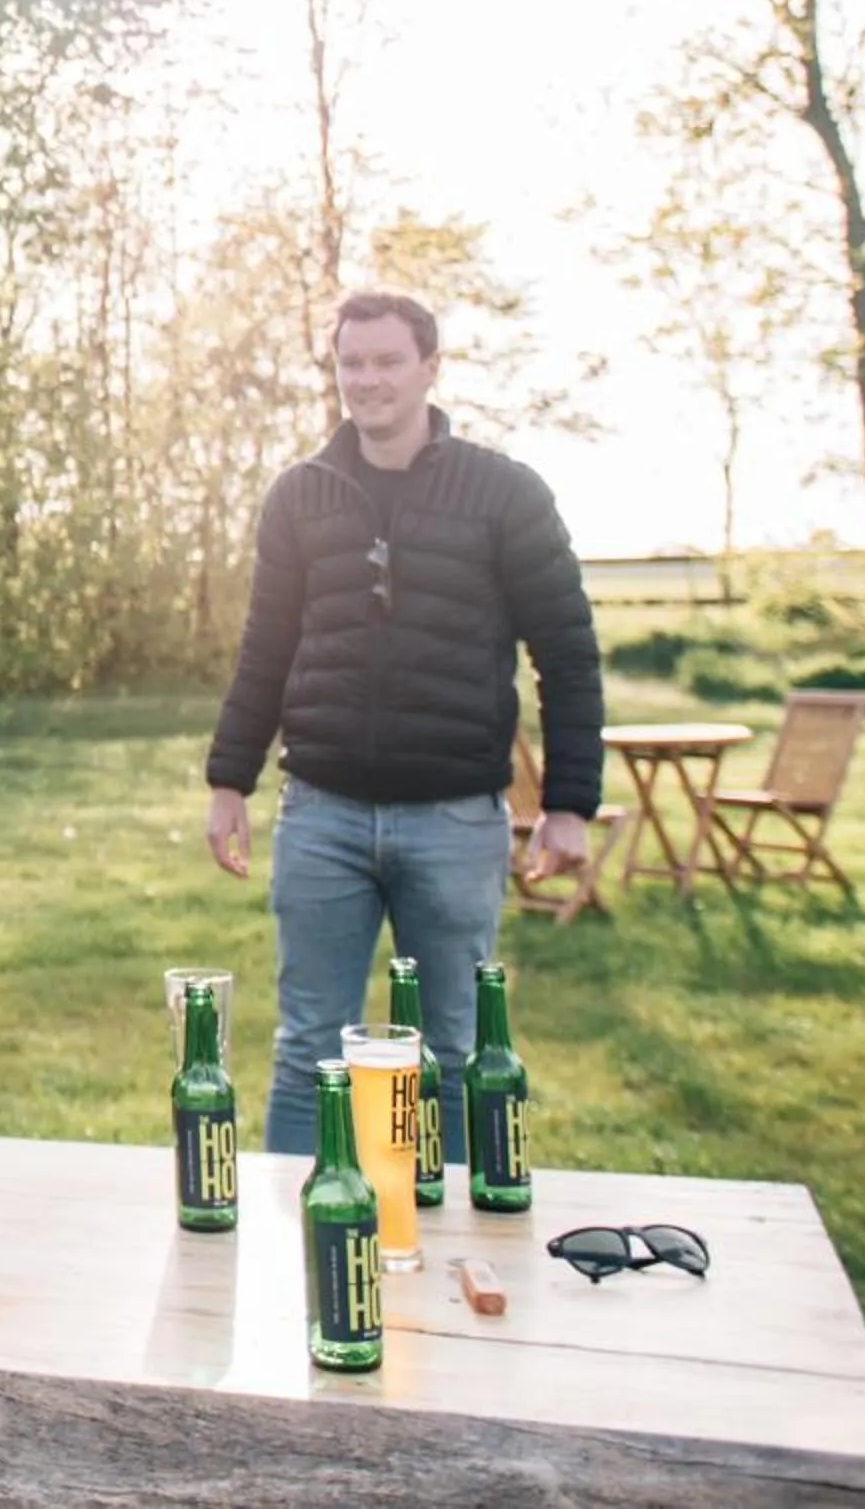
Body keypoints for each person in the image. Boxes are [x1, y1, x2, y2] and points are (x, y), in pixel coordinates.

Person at [201, 290, 605, 1162]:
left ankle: (454, 1250)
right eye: (353, 363)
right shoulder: (300, 497)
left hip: (455, 820)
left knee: (452, 1054)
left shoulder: (504, 493)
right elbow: (264, 647)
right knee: (310, 1051)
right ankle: (302, 1240)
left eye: (388, 361)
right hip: (323, 816)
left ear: (430, 366)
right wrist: (229, 779)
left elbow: (566, 652)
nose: (369, 380)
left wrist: (570, 801)